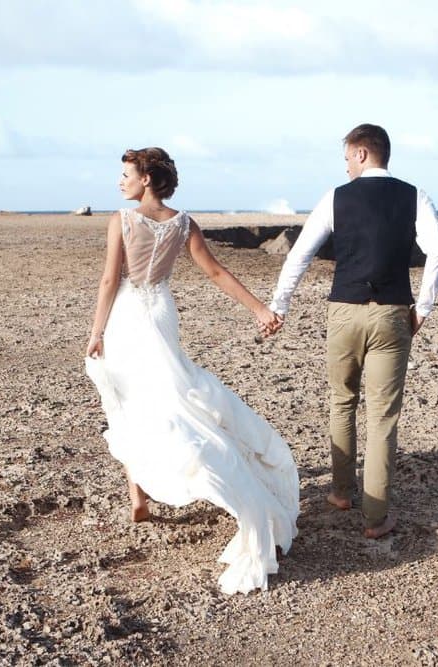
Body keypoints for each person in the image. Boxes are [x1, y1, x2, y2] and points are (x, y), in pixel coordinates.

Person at [83, 147, 297, 594]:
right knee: (167, 394)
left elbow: (109, 280)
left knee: (131, 400)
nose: (120, 182)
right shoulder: (183, 223)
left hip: (127, 314)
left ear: (146, 179)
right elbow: (216, 273)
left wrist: (97, 330)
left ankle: (138, 494)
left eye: (126, 175)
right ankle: (139, 494)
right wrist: (258, 310)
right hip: (160, 311)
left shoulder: (120, 221)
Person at [267, 124, 438, 539]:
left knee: (341, 401)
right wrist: (423, 308)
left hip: (344, 313)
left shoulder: (335, 197)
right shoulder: (414, 195)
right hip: (392, 313)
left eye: (348, 156)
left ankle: (340, 491)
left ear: (363, 153)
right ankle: (375, 518)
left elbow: (300, 254)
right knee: (383, 417)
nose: (346, 165)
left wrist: (280, 304)